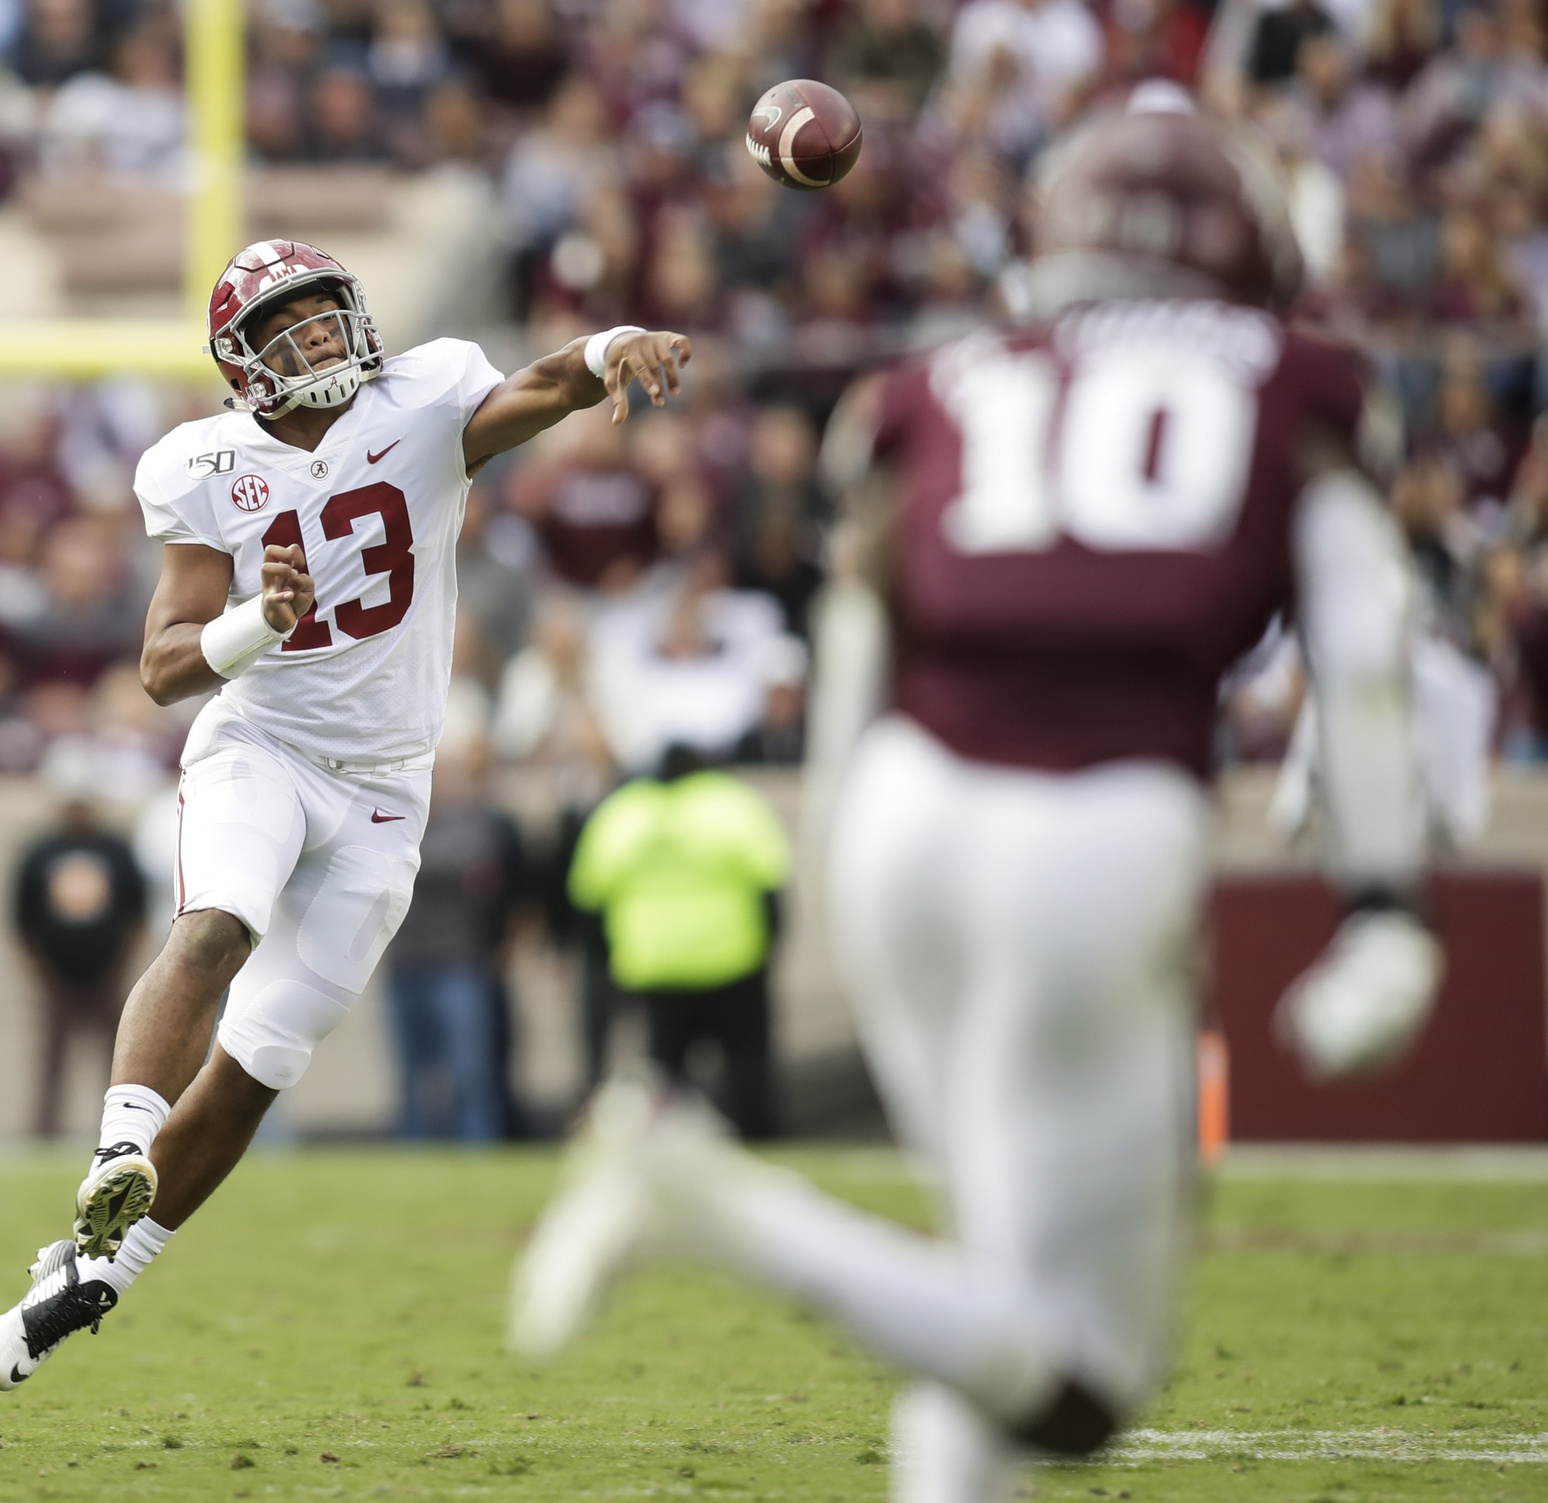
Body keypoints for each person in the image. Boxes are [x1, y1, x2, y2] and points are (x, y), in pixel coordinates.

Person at [509, 92, 1445, 1503]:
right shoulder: (1293, 380)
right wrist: (1383, 906)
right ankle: (717, 1200)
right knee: (1083, 1380)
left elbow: (857, 640)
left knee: (985, 1286)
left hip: (902, 818)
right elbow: (1366, 653)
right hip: (1094, 822)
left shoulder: (938, 381)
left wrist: (841, 854)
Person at [0, 236, 692, 1388]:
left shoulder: (423, 394)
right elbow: (164, 669)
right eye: (288, 326)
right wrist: (259, 619)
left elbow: (543, 386)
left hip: (385, 786)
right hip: (263, 743)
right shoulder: (201, 463)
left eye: (326, 312)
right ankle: (118, 1146)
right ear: (242, 361)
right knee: (218, 922)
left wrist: (615, 346)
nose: (319, 337)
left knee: (262, 1058)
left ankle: (100, 1270)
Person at [567, 744, 791, 1137]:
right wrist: (768, 947)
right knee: (748, 1071)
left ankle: (671, 1157)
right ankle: (758, 1147)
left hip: (656, 965)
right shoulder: (732, 804)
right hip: (733, 959)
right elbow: (771, 883)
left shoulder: (624, 813)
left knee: (667, 1081)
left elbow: (587, 897)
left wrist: (612, 961)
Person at [384, 733, 524, 1141]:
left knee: (470, 1075)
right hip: (405, 964)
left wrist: (412, 866)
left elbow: (457, 861)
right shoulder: (399, 819)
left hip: (459, 964)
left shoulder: (476, 821)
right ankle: (412, 1162)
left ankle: (480, 1153)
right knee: (411, 1078)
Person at [14, 739, 149, 1139]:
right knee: (51, 1066)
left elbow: (135, 915)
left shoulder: (116, 850)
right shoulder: (39, 852)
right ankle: (44, 1136)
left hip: (107, 976)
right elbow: (22, 923)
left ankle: (120, 1135)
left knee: (119, 1066)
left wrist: (119, 968)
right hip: (57, 978)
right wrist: (43, 975)